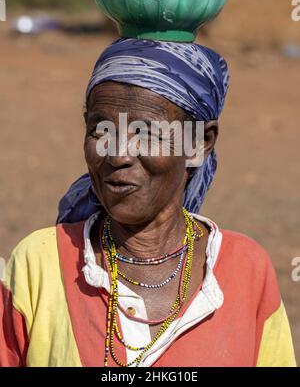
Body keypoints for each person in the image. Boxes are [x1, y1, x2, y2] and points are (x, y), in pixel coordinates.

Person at [0, 38, 296, 367]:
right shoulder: (40, 264)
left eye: (146, 133)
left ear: (200, 142)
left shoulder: (246, 270)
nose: (117, 154)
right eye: (100, 129)